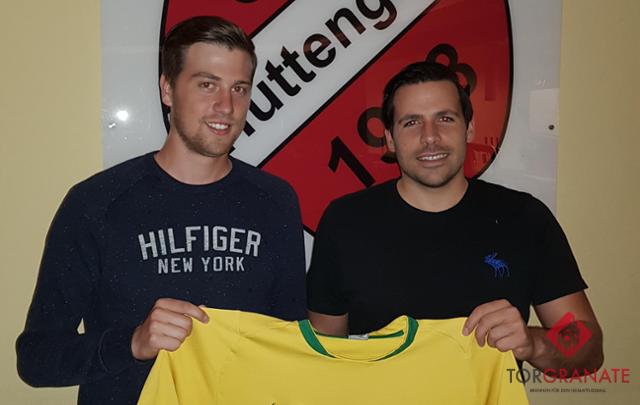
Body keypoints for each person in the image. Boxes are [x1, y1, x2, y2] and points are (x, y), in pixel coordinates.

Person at [16, 16, 306, 405]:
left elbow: (292, 342)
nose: (226, 106)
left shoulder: (276, 201)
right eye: (207, 85)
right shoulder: (95, 203)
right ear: (167, 89)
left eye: (239, 88)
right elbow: (35, 360)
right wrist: (132, 342)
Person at [306, 61, 603, 374]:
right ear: (390, 139)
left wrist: (534, 343)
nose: (430, 137)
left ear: (469, 128)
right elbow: (322, 356)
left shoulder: (525, 218)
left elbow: (589, 347)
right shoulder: (345, 223)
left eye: (445, 119)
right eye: (411, 122)